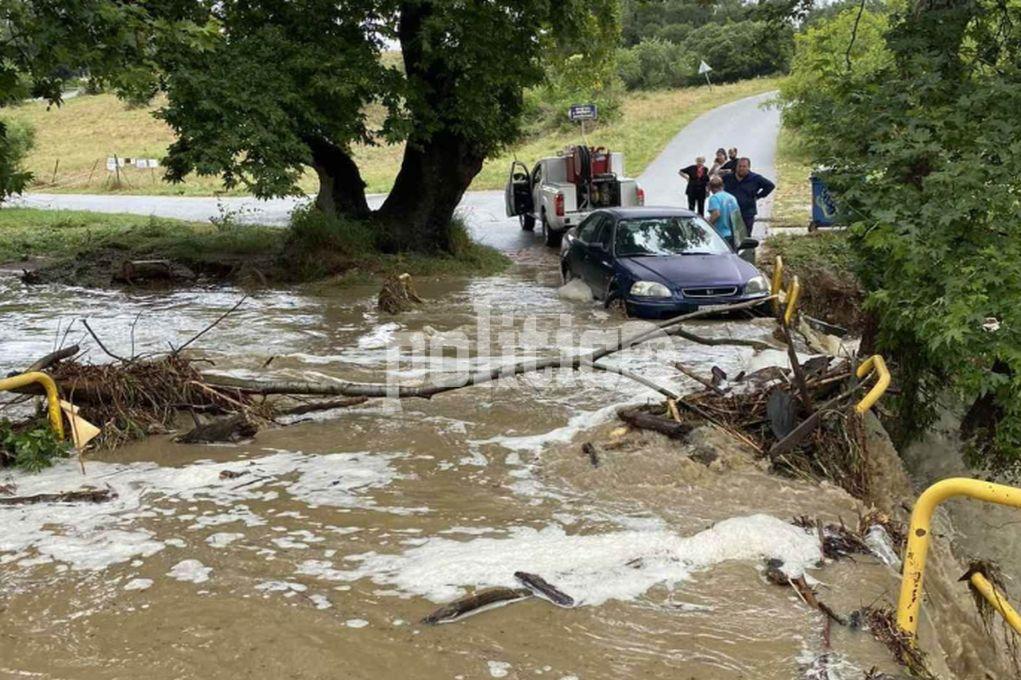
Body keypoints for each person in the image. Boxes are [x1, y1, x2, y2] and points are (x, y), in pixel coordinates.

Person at [723, 157, 774, 236]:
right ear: (736, 167)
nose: (741, 168)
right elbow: (717, 186)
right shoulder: (727, 178)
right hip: (730, 212)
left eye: (744, 166)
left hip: (747, 212)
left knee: (745, 236)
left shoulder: (755, 178)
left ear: (748, 167)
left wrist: (758, 196)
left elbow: (770, 186)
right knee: (729, 235)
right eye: (739, 166)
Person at [706, 176, 742, 248]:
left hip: (721, 235)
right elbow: (738, 216)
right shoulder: (732, 197)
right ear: (722, 186)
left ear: (710, 188)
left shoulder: (714, 198)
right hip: (733, 235)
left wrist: (707, 226)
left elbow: (716, 214)